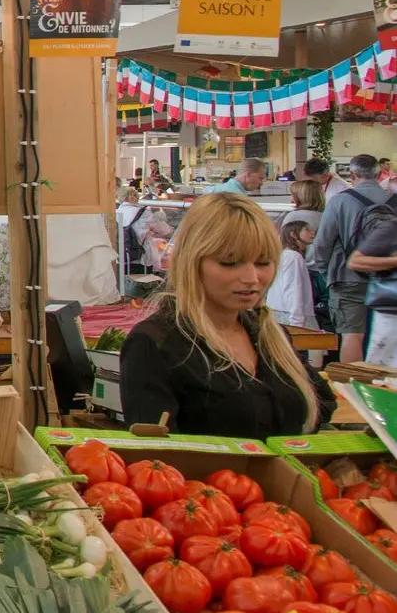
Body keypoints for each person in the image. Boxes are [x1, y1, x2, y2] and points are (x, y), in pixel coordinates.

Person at [119, 192, 332, 438]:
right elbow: (160, 461)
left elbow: (321, 403)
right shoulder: (155, 344)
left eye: (263, 263)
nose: (252, 278)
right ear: (192, 262)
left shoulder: (270, 335)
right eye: (230, 263)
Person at [310, 153, 388, 363]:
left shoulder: (340, 201)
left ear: (352, 175)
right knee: (387, 338)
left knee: (352, 336)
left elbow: (323, 243)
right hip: (389, 280)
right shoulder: (393, 200)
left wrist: (327, 271)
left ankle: (351, 389)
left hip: (347, 278)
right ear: (379, 174)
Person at [267, 220, 321, 335]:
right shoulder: (293, 257)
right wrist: (297, 322)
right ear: (293, 234)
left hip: (281, 314)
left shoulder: (285, 255)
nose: (312, 233)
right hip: (292, 317)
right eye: (306, 230)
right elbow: (292, 289)